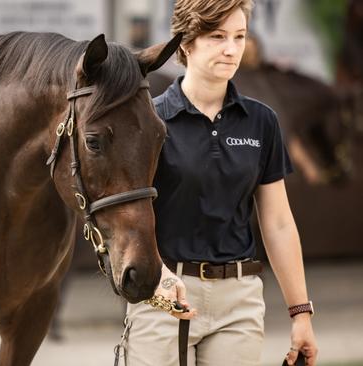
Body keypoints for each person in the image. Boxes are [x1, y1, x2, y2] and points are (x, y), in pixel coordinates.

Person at [125, 1, 319, 365]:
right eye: (217, 37)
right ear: (186, 43)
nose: (232, 49)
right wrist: (155, 279)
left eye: (239, 36)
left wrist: (301, 313)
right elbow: (128, 219)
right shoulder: (150, 120)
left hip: (239, 302)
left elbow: (278, 223)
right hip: (165, 294)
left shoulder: (262, 122)